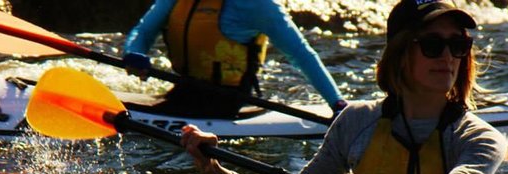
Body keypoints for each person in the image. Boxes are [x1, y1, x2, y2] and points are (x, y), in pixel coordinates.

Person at [179, 0, 507, 174]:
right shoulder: (356, 121)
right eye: (433, 45)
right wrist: (216, 171)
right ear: (400, 52)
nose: (447, 57)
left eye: (458, 45)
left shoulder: (480, 139)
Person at [123, 0, 347, 117]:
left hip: (226, 100)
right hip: (184, 90)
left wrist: (336, 103)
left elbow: (300, 53)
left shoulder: (256, 5)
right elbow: (143, 31)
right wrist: (134, 54)